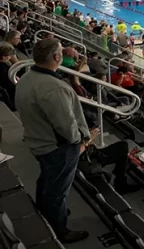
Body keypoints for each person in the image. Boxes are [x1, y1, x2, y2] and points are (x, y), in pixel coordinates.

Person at [14, 39, 91, 243]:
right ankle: (60, 232)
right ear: (57, 57)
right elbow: (66, 126)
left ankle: (47, 215)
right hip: (57, 148)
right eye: (61, 52)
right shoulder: (54, 88)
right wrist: (80, 141)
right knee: (57, 191)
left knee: (47, 182)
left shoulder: (27, 77)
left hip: (38, 141)